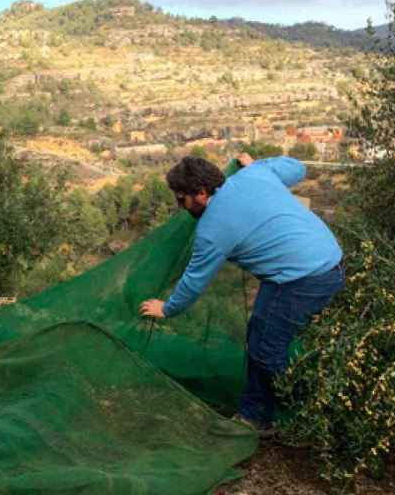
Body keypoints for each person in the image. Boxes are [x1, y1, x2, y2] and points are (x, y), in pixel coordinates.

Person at [138, 153, 344, 436]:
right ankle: (257, 413)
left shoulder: (212, 229)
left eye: (181, 198)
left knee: (266, 350)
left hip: (303, 279)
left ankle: (307, 411)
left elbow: (194, 281)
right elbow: (298, 168)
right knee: (261, 334)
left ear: (200, 193)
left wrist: (167, 308)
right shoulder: (253, 174)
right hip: (329, 260)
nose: (179, 206)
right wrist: (258, 164)